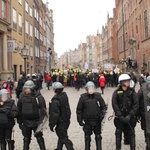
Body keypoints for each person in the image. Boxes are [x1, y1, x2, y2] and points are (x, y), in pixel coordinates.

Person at [76, 81, 107, 150]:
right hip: (87, 121)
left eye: (92, 88)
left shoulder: (98, 96)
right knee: (87, 137)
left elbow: (104, 107)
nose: (91, 90)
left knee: (98, 136)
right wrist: (80, 120)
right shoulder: (83, 97)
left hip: (97, 120)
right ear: (87, 89)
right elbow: (79, 109)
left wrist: (102, 114)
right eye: (89, 89)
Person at [17, 80, 47, 150]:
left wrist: (40, 122)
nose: (25, 90)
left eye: (27, 89)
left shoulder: (38, 97)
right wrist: (19, 121)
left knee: (39, 138)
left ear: (32, 89)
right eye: (25, 88)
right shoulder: (21, 97)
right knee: (26, 139)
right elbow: (19, 109)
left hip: (36, 121)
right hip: (25, 122)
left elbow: (43, 110)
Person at [112, 74, 138, 150]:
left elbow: (136, 104)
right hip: (120, 118)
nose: (128, 82)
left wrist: (130, 115)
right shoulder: (116, 92)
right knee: (118, 133)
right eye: (127, 81)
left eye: (129, 81)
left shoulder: (132, 92)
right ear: (122, 82)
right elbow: (114, 104)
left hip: (130, 117)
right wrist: (120, 116)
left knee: (131, 134)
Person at [49, 82, 74, 150]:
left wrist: (51, 124)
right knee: (62, 135)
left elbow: (54, 113)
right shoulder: (64, 95)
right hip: (66, 119)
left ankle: (70, 148)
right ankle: (59, 148)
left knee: (63, 137)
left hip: (61, 121)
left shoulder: (56, 100)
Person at [138, 75, 150, 150]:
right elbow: (137, 102)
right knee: (147, 130)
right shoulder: (142, 91)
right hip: (145, 114)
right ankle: (148, 144)